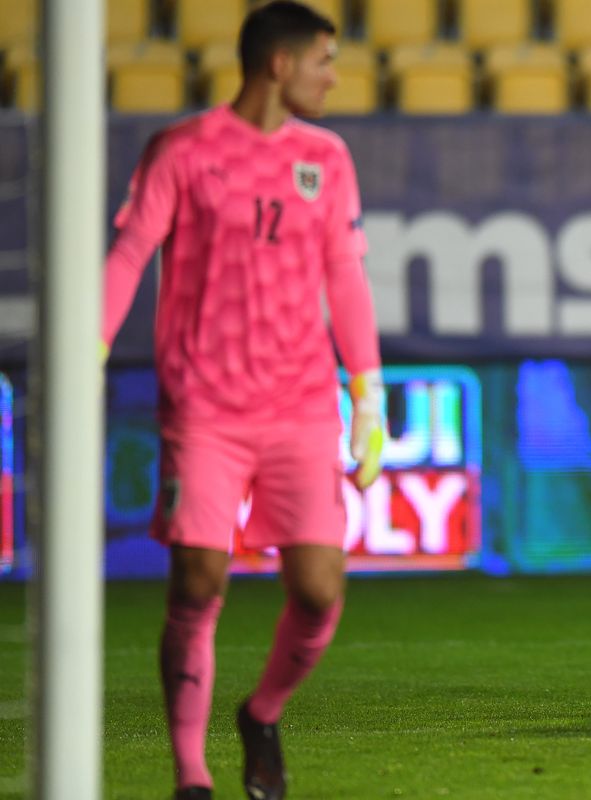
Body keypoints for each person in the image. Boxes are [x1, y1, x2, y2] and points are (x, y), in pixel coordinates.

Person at [100, 2, 383, 797]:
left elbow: (345, 278)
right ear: (279, 64)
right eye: (324, 61)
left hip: (301, 408)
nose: (334, 78)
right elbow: (129, 253)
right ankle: (191, 776)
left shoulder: (326, 158)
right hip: (205, 411)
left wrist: (368, 394)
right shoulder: (184, 150)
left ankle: (260, 714)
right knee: (197, 582)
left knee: (320, 591)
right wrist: (89, 347)